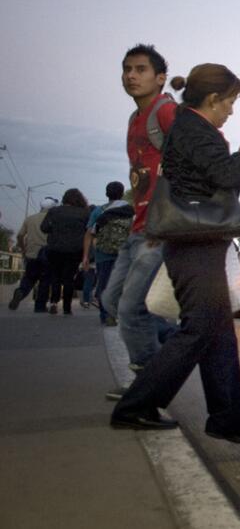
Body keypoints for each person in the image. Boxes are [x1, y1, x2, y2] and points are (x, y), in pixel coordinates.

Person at [111, 63, 240, 443]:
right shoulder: (196, 128)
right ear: (212, 99)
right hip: (196, 242)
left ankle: (229, 420)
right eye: (229, 102)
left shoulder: (186, 126)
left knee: (217, 330)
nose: (231, 110)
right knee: (198, 329)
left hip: (195, 241)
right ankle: (136, 406)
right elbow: (225, 177)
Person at [103, 44, 178, 398]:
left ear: (160, 78)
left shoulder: (166, 111)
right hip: (138, 226)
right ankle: (181, 344)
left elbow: (198, 148)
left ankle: (149, 386)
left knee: (133, 308)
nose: (131, 75)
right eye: (126, 69)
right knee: (112, 299)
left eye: (140, 69)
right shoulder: (135, 119)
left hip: (159, 229)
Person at [82, 182, 132, 326]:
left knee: (104, 284)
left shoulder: (99, 211)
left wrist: (85, 256)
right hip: (125, 254)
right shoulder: (130, 211)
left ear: (106, 194)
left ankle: (106, 315)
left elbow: (89, 234)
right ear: (122, 194)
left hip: (102, 253)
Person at [40, 189, 91, 315]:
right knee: (69, 278)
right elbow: (89, 232)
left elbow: (44, 228)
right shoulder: (84, 213)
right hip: (74, 250)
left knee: (55, 276)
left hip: (55, 248)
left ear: (64, 199)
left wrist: (55, 229)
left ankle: (53, 302)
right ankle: (67, 308)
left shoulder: (54, 211)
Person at [9, 198, 55, 312]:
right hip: (47, 255)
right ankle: (40, 307)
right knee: (45, 281)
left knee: (29, 278)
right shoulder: (54, 220)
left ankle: (21, 291)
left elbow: (20, 236)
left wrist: (23, 249)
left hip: (31, 254)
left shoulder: (30, 219)